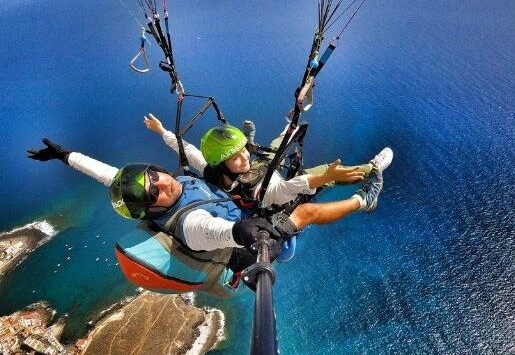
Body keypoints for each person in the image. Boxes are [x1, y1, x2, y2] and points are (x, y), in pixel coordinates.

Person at [27, 137, 385, 296]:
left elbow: (107, 173)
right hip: (246, 247)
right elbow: (215, 231)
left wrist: (65, 155)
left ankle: (334, 179)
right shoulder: (188, 223)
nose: (160, 183)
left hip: (239, 214)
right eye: (153, 193)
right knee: (304, 211)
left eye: (154, 175)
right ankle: (363, 201)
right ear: (151, 209)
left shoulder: (173, 186)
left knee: (283, 186)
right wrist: (242, 230)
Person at [143, 113, 393, 209]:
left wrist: (161, 130)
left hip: (263, 169)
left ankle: (287, 127)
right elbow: (290, 188)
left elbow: (184, 148)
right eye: (236, 155)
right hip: (278, 191)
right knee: (327, 173)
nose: (243, 157)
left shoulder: (213, 167)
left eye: (243, 150)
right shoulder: (256, 192)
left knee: (272, 147)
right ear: (222, 164)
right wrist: (326, 177)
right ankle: (372, 168)